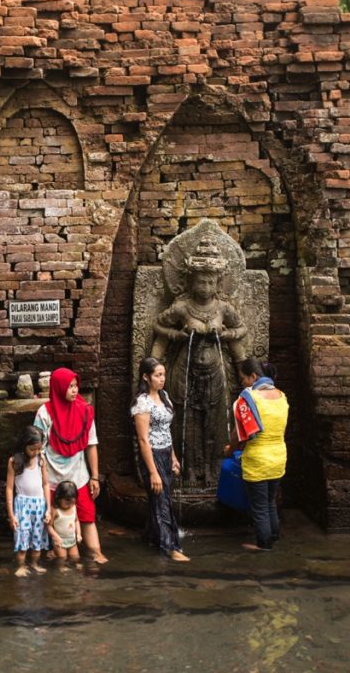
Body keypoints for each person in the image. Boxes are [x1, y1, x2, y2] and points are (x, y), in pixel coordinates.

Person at [151, 236, 247, 488]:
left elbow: (242, 329)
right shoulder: (182, 307)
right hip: (185, 370)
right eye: (200, 280)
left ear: (218, 283)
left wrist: (227, 335)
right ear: (190, 281)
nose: (205, 285)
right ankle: (190, 470)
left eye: (210, 280)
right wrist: (175, 335)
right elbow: (158, 325)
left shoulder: (223, 308)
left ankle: (212, 468)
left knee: (214, 420)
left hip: (216, 371)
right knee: (189, 421)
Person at [35, 367, 108, 564]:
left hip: (79, 476)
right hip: (51, 478)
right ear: (58, 388)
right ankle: (50, 552)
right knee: (49, 517)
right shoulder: (44, 413)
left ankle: (95, 552)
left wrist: (94, 476)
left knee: (87, 515)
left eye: (76, 386)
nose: (74, 390)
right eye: (69, 386)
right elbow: (38, 450)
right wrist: (40, 482)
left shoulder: (85, 411)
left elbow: (92, 445)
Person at [226, 358, 288, 551]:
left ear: (254, 376)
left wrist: (230, 449)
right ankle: (274, 537)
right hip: (278, 456)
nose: (242, 382)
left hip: (257, 459)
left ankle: (264, 545)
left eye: (244, 378)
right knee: (270, 502)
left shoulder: (248, 399)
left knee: (259, 507)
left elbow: (239, 434)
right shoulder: (282, 396)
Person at [132, 357, 189, 561]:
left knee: (161, 498)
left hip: (165, 452)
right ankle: (170, 547)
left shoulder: (163, 396)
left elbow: (166, 430)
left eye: (163, 374)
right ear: (146, 377)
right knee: (161, 500)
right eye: (157, 375)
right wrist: (153, 471)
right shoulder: (142, 402)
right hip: (152, 454)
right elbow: (143, 439)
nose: (162, 379)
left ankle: (150, 536)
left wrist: (173, 457)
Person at [5, 425, 51, 577]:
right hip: (22, 506)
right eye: (33, 449)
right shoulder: (14, 462)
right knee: (22, 537)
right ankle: (20, 565)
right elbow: (10, 489)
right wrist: (11, 515)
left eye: (39, 449)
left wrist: (48, 508)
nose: (36, 452)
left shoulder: (41, 460)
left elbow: (45, 484)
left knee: (38, 537)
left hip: (39, 505)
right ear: (24, 445)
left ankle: (34, 563)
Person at [48, 481, 82, 571]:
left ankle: (75, 565)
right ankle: (60, 568)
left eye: (72, 502)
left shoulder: (73, 507)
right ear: (59, 498)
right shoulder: (55, 510)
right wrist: (56, 537)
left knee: (75, 557)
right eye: (67, 503)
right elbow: (49, 526)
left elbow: (76, 521)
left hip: (72, 540)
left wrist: (78, 534)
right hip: (59, 541)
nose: (70, 505)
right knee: (62, 557)